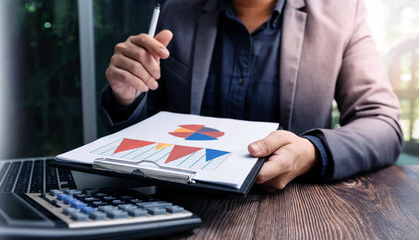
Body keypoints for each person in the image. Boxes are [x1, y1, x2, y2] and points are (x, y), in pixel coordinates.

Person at [100, 0, 403, 190]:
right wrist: (127, 97)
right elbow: (149, 123)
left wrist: (312, 152)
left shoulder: (342, 11)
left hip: (297, 206)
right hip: (183, 203)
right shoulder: (177, 10)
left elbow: (382, 123)